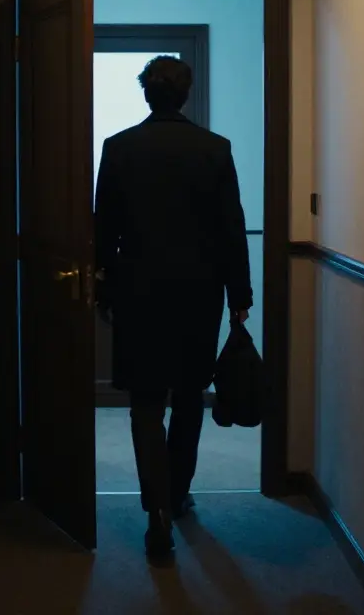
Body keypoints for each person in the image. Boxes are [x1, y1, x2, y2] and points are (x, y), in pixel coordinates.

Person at [94, 55, 252, 561]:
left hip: (139, 293)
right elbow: (232, 230)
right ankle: (176, 493)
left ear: (147, 94)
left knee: (145, 404)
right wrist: (240, 298)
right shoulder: (214, 150)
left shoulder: (118, 149)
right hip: (197, 295)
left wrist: (102, 289)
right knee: (188, 399)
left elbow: (103, 233)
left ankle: (155, 509)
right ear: (184, 95)